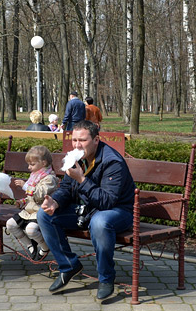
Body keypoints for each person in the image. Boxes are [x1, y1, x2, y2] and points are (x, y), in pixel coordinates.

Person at [37, 120, 135, 301]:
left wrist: (82, 180)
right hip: (89, 210)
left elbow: (107, 201)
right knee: (44, 215)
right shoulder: (76, 158)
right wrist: (55, 202)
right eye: (74, 140)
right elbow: (66, 188)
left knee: (99, 222)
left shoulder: (112, 161)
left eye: (82, 140)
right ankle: (68, 266)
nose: (76, 145)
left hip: (118, 212)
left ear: (96, 139)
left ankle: (106, 278)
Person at [6, 146, 58, 261]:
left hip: (41, 212)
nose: (29, 167)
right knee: (10, 224)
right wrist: (22, 202)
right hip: (29, 211)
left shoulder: (49, 178)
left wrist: (25, 186)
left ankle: (45, 247)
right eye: (28, 164)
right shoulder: (34, 176)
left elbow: (40, 194)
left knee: (31, 229)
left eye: (32, 164)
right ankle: (30, 245)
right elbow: (30, 198)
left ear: (43, 163)